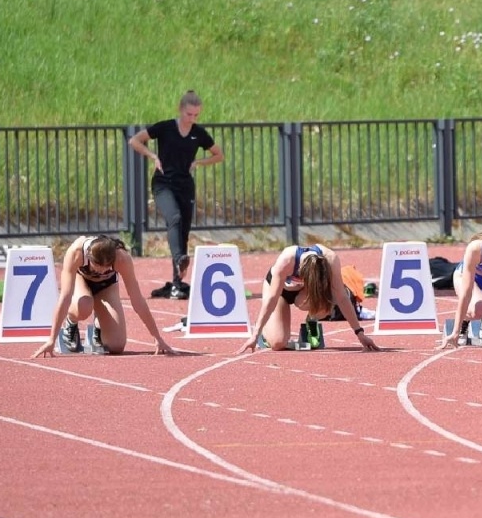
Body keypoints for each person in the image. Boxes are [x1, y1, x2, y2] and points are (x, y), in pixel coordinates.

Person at [128, 90, 224, 299]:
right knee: (174, 218)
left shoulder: (199, 133)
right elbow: (134, 141)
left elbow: (219, 155)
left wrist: (199, 162)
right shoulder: (165, 128)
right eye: (189, 114)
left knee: (183, 233)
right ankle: (180, 259)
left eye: (196, 115)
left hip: (185, 186)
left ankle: (177, 284)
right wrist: (152, 155)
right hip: (163, 183)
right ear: (181, 110)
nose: (192, 119)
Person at [32, 235, 183, 357]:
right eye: (97, 269)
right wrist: (51, 339)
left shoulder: (122, 259)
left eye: (107, 269)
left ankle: (99, 323)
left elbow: (137, 300)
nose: (101, 273)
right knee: (84, 305)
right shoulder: (76, 252)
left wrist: (157, 337)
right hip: (81, 281)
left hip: (107, 287)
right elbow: (65, 297)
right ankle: (71, 323)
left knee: (116, 346)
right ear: (89, 258)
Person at [236, 244, 380, 354]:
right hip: (280, 293)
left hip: (303, 294)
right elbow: (272, 299)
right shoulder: (286, 260)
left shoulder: (331, 259)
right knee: (278, 343)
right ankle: (264, 329)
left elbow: (342, 297)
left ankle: (311, 321)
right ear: (301, 272)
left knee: (329, 300)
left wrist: (359, 333)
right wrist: (255, 335)